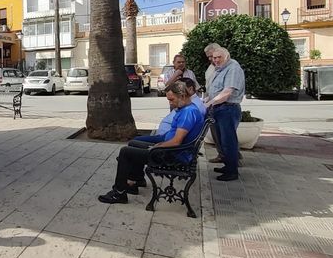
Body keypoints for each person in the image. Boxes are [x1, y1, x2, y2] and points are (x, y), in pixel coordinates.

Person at [98, 80, 205, 204]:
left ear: (182, 96)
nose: (170, 103)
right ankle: (136, 180)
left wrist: (157, 147)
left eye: (171, 100)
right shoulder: (188, 109)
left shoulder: (188, 113)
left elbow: (176, 142)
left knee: (125, 152)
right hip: (172, 150)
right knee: (134, 143)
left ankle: (119, 193)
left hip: (173, 155)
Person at [204, 46, 246, 182]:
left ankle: (232, 171)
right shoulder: (221, 68)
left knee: (228, 141)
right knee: (223, 141)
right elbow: (214, 91)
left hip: (227, 109)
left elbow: (227, 93)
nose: (215, 60)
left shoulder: (233, 68)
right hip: (219, 109)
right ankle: (228, 166)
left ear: (226, 56)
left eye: (218, 57)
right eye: (213, 58)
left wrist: (209, 103)